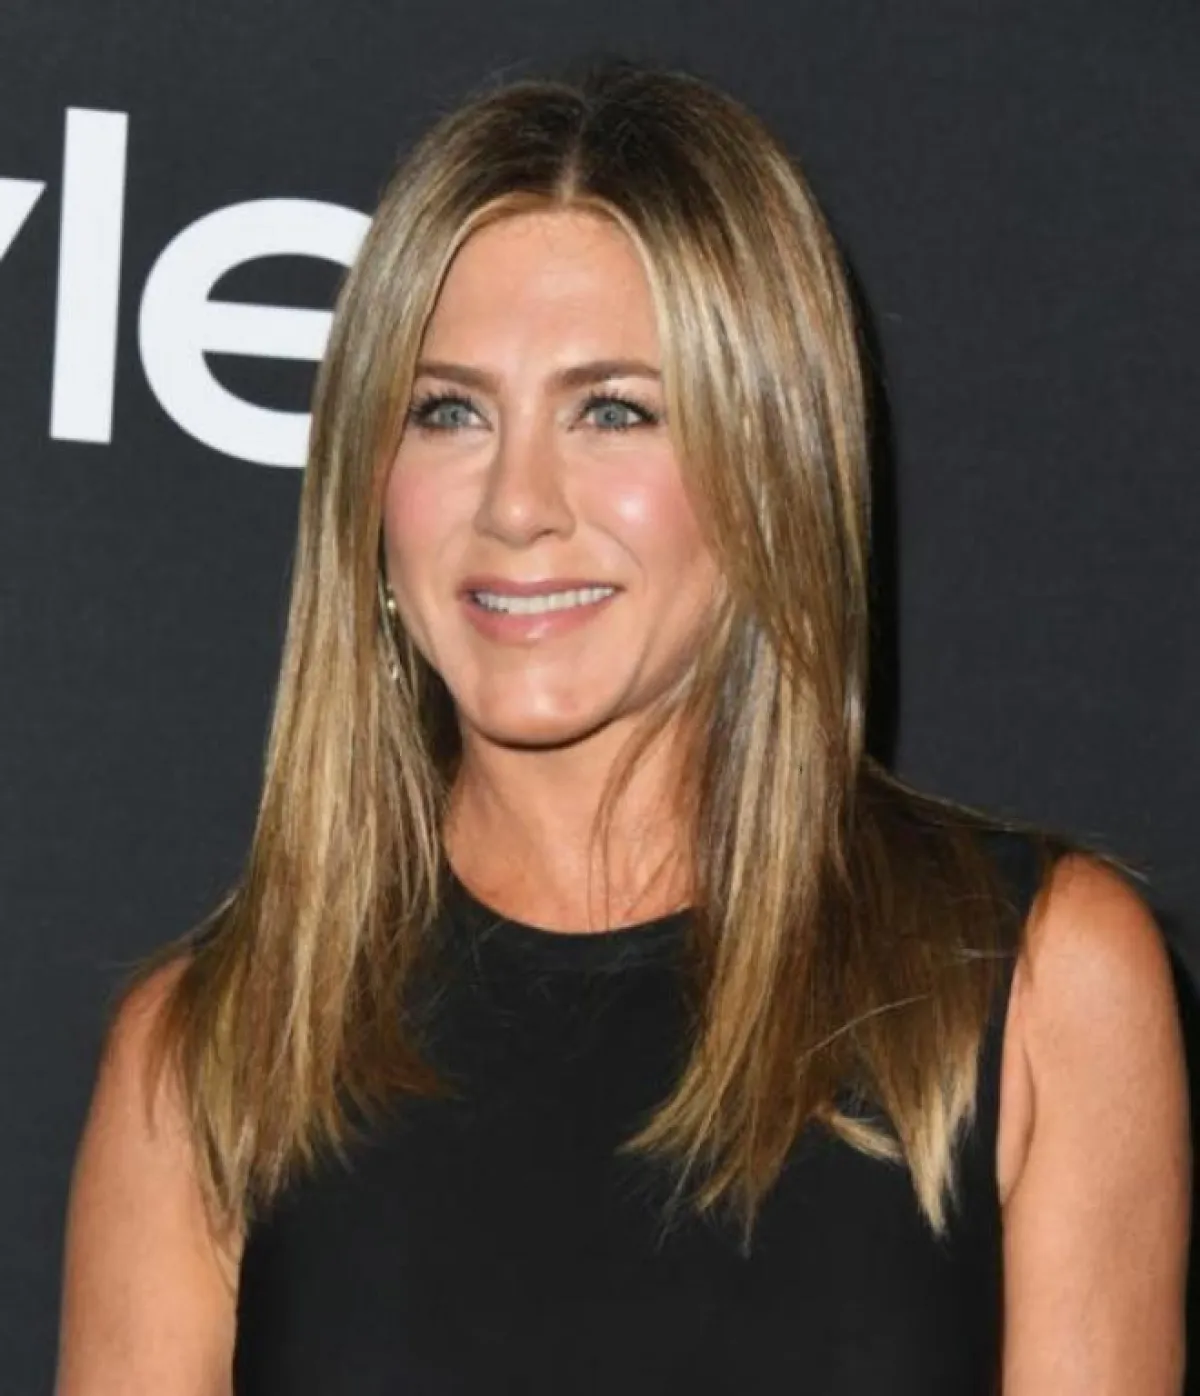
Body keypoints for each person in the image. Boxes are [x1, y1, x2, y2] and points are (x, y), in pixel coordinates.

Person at [55, 59, 1189, 1395]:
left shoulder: (1033, 984)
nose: (517, 504)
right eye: (448, 411)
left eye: (612, 410)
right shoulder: (209, 1056)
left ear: (770, 468)